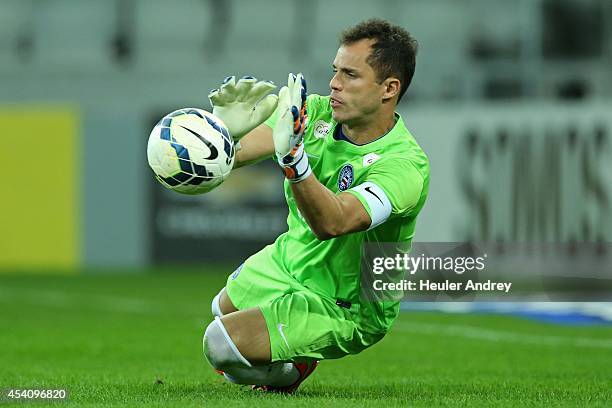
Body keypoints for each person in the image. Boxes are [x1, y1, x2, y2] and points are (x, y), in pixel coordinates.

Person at [202, 18, 429, 394]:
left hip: (346, 302)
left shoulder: (404, 165)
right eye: (335, 71)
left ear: (389, 89)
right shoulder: (315, 112)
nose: (335, 84)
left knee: (221, 345)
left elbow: (335, 223)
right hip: (290, 260)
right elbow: (236, 157)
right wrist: (222, 133)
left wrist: (295, 162)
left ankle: (296, 369)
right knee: (221, 308)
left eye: (351, 75)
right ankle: (284, 352)